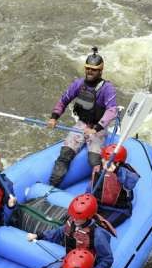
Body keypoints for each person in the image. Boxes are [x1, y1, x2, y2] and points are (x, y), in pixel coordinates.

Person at [46, 47, 118, 187]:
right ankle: (52, 186)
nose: (90, 72)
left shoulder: (107, 88)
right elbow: (64, 100)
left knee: (94, 160)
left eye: (94, 69)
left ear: (100, 70)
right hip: (82, 124)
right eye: (88, 68)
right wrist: (54, 117)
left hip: (98, 128)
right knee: (65, 155)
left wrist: (96, 128)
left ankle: (98, 189)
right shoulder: (78, 84)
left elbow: (112, 110)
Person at [27, 193, 115, 268]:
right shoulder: (72, 222)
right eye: (73, 216)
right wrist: (39, 236)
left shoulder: (98, 235)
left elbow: (107, 259)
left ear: (88, 217)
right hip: (71, 260)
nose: (75, 219)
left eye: (79, 218)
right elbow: (58, 233)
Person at [87, 143, 140, 226]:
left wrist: (117, 170)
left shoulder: (124, 173)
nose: (104, 162)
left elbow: (131, 183)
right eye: (103, 159)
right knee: (81, 218)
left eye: (107, 161)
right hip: (99, 204)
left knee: (99, 226)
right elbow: (91, 185)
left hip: (117, 210)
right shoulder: (98, 169)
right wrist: (87, 198)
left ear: (118, 163)